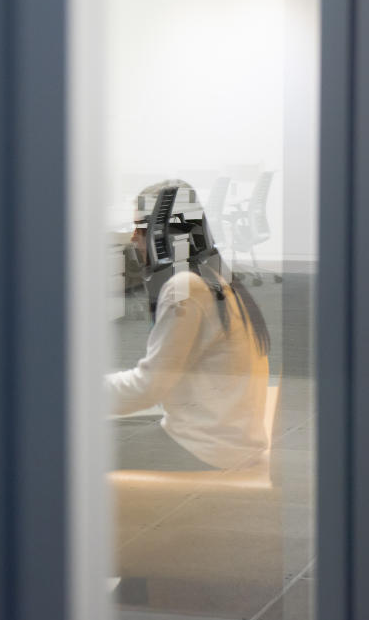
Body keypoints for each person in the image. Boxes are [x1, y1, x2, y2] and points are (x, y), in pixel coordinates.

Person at [107, 180, 272, 472]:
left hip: (208, 448)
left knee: (65, 443)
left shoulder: (184, 288)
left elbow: (148, 388)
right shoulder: (213, 273)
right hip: (233, 437)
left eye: (140, 229)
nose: (133, 239)